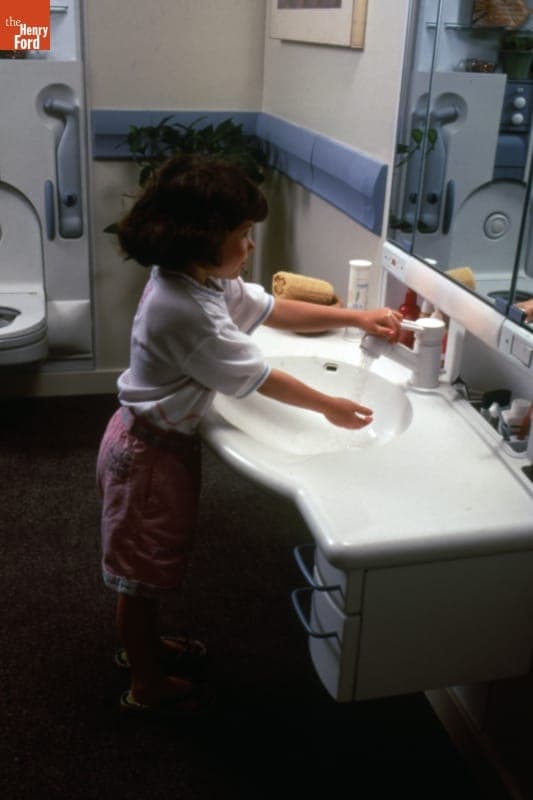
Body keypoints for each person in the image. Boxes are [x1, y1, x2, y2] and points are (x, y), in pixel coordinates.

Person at [96, 153, 402, 715]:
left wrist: (356, 318)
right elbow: (262, 378)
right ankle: (145, 679)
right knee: (139, 574)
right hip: (147, 458)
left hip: (155, 443)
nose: (251, 246)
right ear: (201, 236)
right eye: (242, 234)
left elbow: (271, 310)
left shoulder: (199, 279)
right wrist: (329, 405)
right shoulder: (184, 307)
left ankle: (144, 645)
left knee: (151, 561)